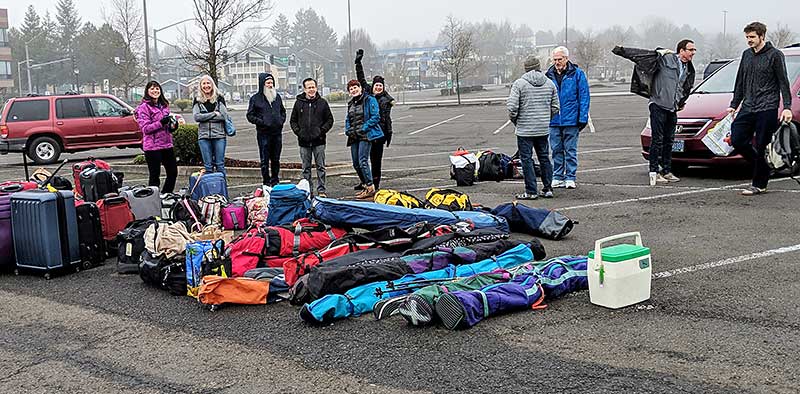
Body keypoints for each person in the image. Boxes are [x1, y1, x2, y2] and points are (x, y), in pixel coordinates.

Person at [612, 39, 697, 186]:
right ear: (681, 51)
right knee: (657, 139)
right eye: (691, 50)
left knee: (669, 140)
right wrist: (621, 50)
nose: (693, 53)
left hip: (672, 108)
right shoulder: (665, 58)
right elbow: (642, 55)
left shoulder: (688, 68)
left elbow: (684, 87)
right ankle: (654, 171)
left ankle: (667, 170)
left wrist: (680, 102)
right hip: (658, 105)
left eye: (694, 50)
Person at [727, 22, 793, 196]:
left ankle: (759, 184)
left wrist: (787, 107)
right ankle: (763, 166)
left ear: (762, 36)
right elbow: (740, 81)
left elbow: (783, 82)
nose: (749, 40)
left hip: (767, 106)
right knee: (737, 139)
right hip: (748, 106)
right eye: (747, 37)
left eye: (752, 37)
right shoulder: (746, 55)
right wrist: (734, 104)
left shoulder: (775, 55)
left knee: (763, 144)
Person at [506, 56, 560, 200]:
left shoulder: (519, 84)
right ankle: (548, 188)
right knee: (544, 158)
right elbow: (555, 107)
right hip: (542, 129)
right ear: (539, 67)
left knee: (527, 160)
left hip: (524, 129)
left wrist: (516, 121)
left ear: (525, 68)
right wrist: (544, 119)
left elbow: (512, 107)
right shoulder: (549, 84)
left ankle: (531, 191)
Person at [545, 46, 590, 189]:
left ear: (566, 59)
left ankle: (570, 177)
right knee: (556, 149)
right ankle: (557, 176)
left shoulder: (577, 74)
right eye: (555, 59)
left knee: (570, 150)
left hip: (571, 119)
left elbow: (584, 97)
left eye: (560, 59)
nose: (557, 62)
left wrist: (582, 118)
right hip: (554, 120)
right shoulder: (548, 76)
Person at [354, 48, 395, 191]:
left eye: (380, 86)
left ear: (383, 88)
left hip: (379, 134)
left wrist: (387, 134)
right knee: (362, 159)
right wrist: (358, 62)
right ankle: (366, 181)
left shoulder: (386, 100)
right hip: (366, 133)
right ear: (373, 86)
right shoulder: (367, 93)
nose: (378, 87)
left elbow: (385, 119)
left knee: (376, 161)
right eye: (376, 85)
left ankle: (375, 184)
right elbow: (361, 79)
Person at [290, 78, 334, 197]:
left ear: (316, 87)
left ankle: (321, 190)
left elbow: (330, 119)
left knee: (321, 167)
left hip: (319, 141)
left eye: (313, 87)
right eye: (309, 87)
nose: (311, 90)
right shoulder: (299, 103)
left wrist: (321, 131)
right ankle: (307, 191)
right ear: (304, 89)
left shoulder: (323, 103)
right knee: (306, 168)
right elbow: (293, 120)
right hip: (303, 142)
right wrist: (299, 132)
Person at [135, 80, 178, 194]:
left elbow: (167, 125)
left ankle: (166, 194)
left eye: (157, 88)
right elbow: (145, 129)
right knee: (155, 176)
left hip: (166, 144)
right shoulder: (143, 107)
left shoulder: (164, 105)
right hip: (152, 147)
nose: (155, 91)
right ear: (147, 91)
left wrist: (172, 126)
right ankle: (153, 200)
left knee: (173, 172)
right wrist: (161, 123)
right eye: (152, 89)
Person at [345, 79, 384, 200]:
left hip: (365, 135)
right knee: (356, 163)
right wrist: (348, 130)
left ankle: (370, 186)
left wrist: (364, 127)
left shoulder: (369, 100)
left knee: (363, 161)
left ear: (360, 88)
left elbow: (375, 116)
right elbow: (348, 119)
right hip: (354, 136)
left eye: (355, 87)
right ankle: (364, 184)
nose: (354, 90)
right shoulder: (351, 103)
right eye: (351, 89)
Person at [246, 73, 287, 186]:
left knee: (276, 159)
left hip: (277, 133)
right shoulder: (255, 99)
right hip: (263, 133)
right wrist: (262, 122)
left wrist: (281, 121)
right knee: (264, 160)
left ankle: (275, 180)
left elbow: (282, 111)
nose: (270, 85)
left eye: (272, 83)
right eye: (268, 83)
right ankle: (266, 181)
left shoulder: (277, 97)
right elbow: (250, 115)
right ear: (262, 84)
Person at [193, 75, 228, 175]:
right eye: (203, 83)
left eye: (208, 83)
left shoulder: (219, 98)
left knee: (220, 164)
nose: (206, 85)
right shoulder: (197, 99)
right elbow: (197, 117)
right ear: (200, 86)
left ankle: (222, 189)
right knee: (208, 166)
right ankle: (210, 189)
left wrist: (205, 116)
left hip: (219, 136)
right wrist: (213, 113)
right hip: (204, 136)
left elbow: (223, 116)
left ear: (212, 84)